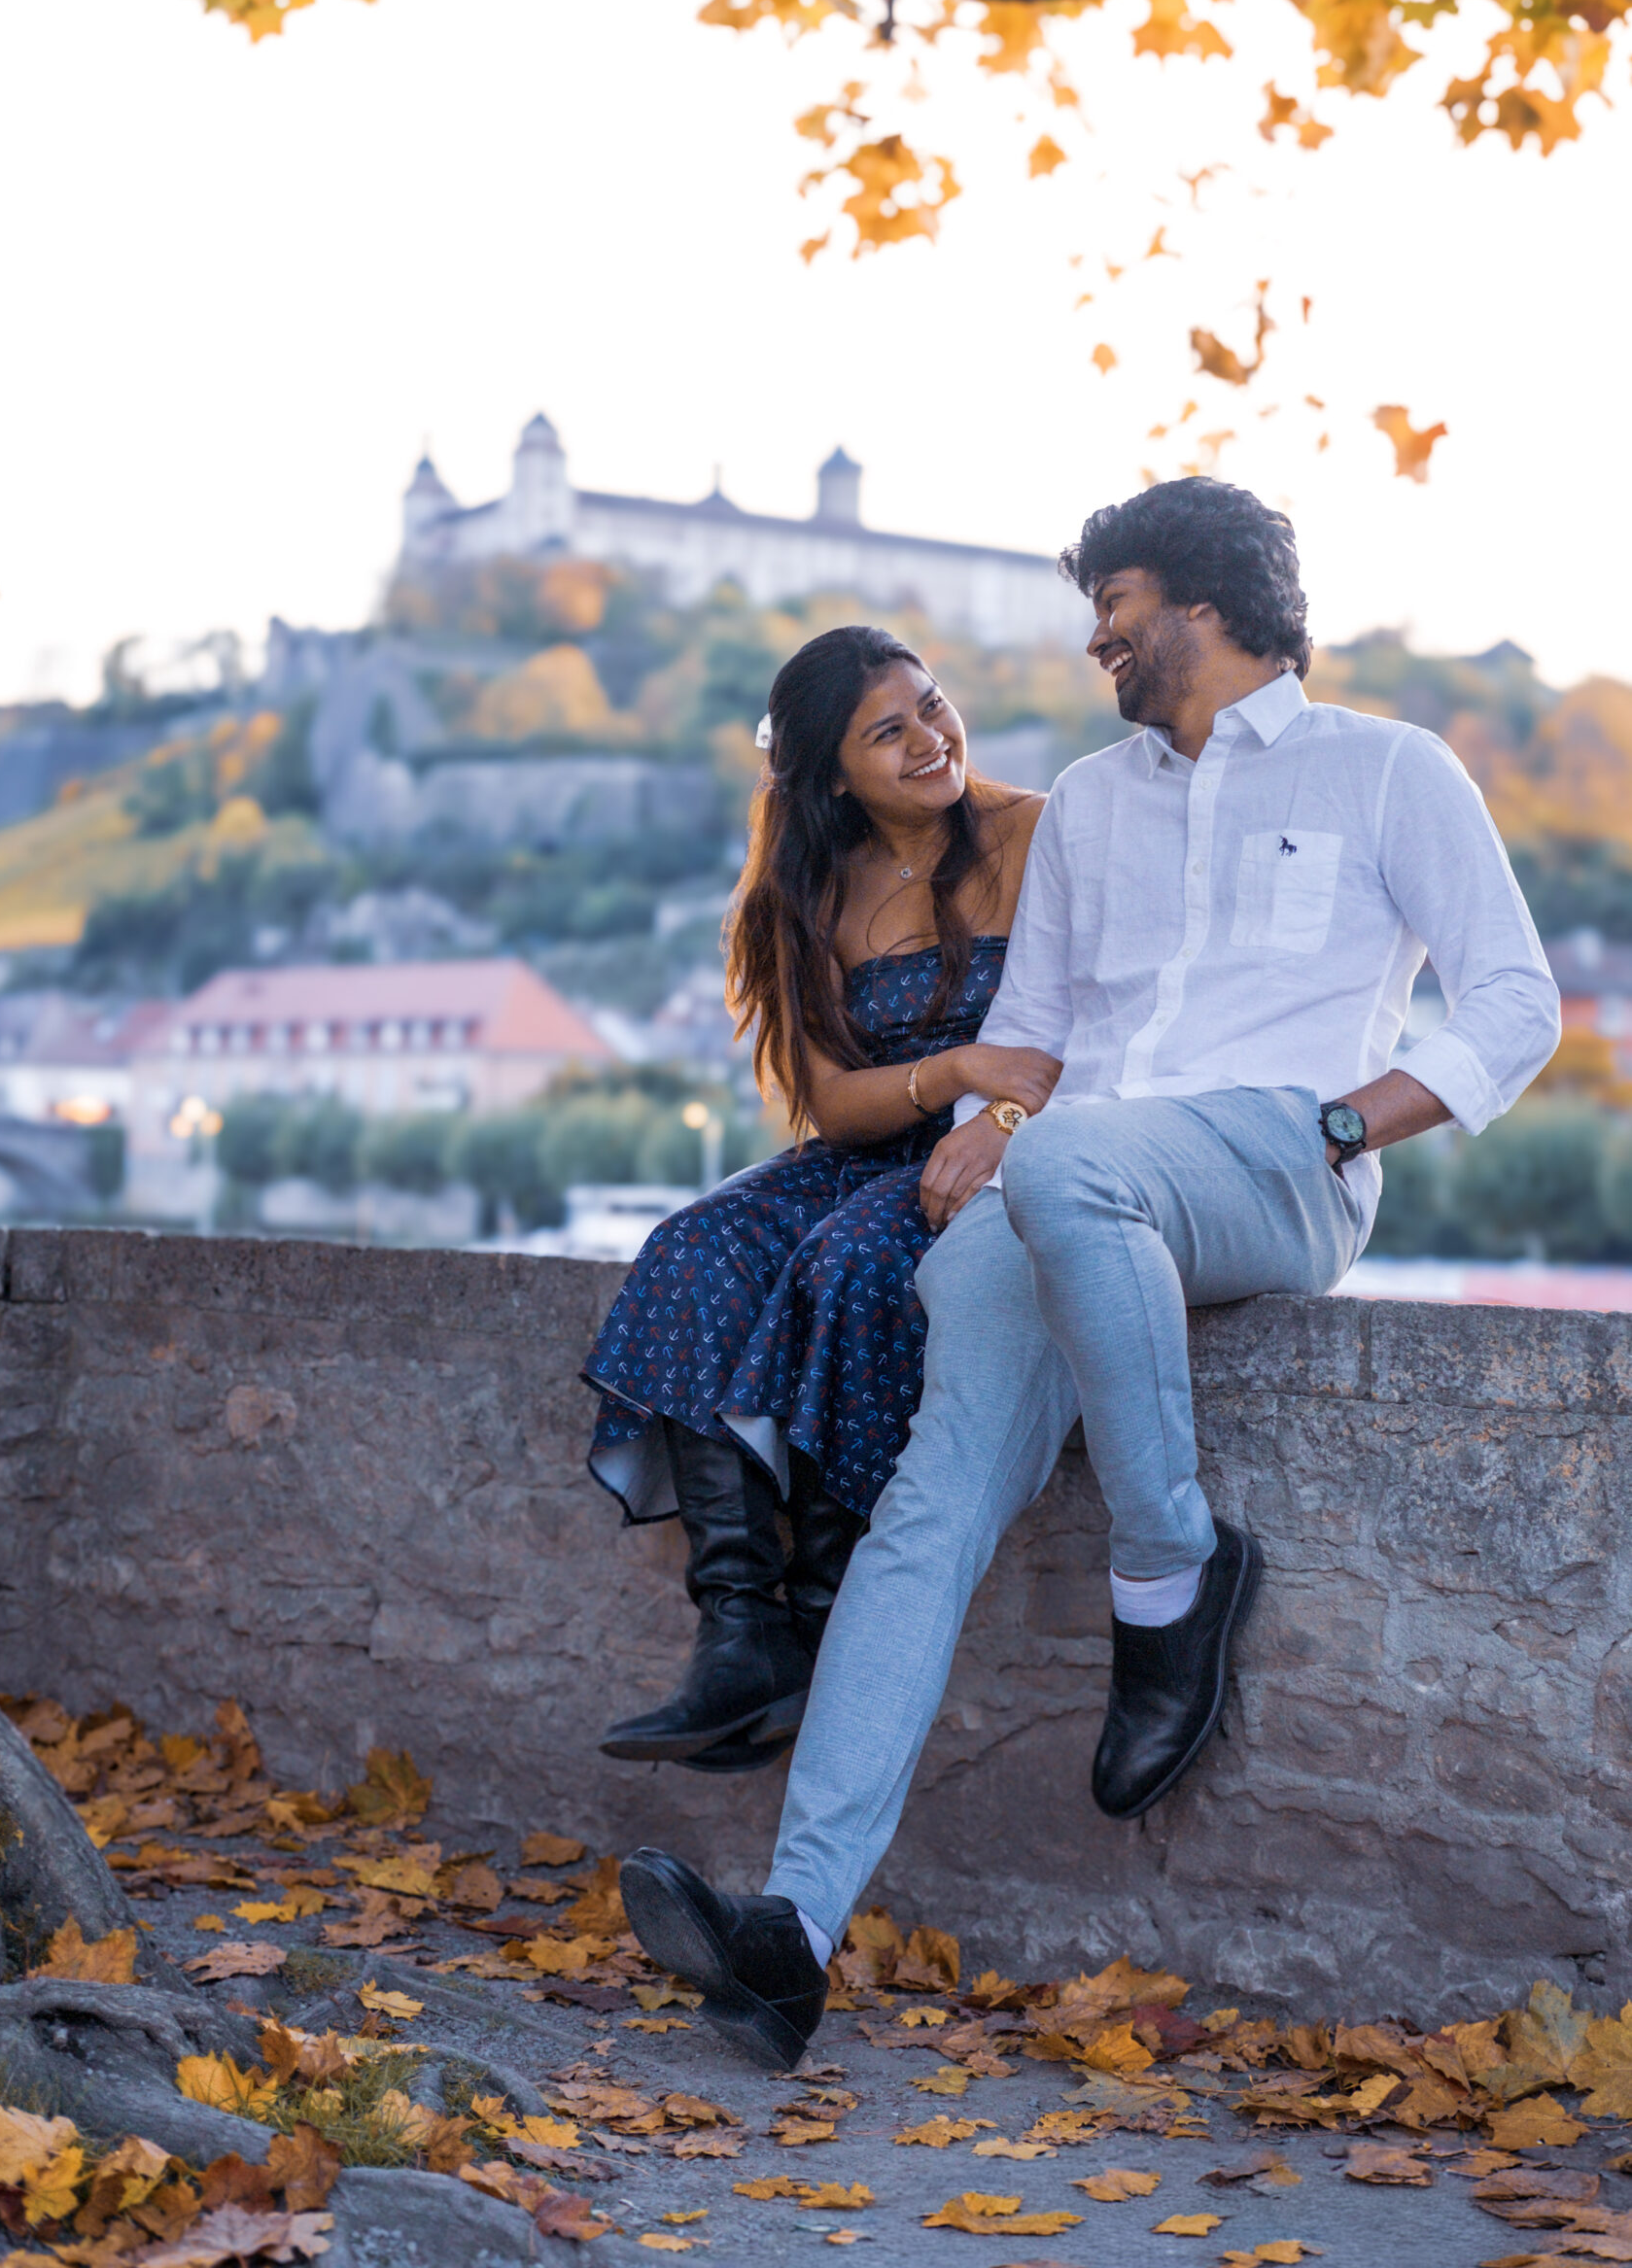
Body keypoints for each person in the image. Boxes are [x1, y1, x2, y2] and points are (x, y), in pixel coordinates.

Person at [614, 476, 1563, 2068]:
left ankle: (1165, 1565)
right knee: (926, 1511)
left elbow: (1514, 1005)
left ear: (1199, 600)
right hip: (1076, 1183)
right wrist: (989, 1118)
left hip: (1271, 1163)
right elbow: (1036, 1039)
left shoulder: (1386, 770)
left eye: (1113, 604)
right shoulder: (1090, 804)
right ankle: (790, 1934)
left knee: (1066, 1163)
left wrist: (1343, 1124)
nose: (1094, 637)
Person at [583, 623, 1051, 1775]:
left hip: (1009, 1151)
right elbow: (832, 1103)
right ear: (832, 775)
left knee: (851, 1262)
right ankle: (740, 1633)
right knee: (692, 1249)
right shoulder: (803, 892)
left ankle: (827, 1618)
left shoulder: (1043, 833)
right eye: (887, 733)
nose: (929, 738)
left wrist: (993, 1114)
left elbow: (1101, 1026)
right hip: (871, 1148)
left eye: (931, 705)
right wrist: (951, 1067)